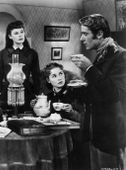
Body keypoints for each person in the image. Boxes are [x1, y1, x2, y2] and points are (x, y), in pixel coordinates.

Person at [71, 14, 126, 170]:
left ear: (100, 34)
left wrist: (89, 69)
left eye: (85, 33)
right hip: (97, 134)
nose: (81, 38)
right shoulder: (103, 53)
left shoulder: (121, 56)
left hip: (111, 138)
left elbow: (116, 94)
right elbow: (99, 93)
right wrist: (77, 89)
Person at [0, 20, 41, 115]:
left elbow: (37, 75)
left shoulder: (32, 54)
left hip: (26, 92)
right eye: (16, 33)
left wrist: (38, 94)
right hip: (7, 93)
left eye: (22, 32)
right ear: (10, 36)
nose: (20, 35)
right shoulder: (3, 54)